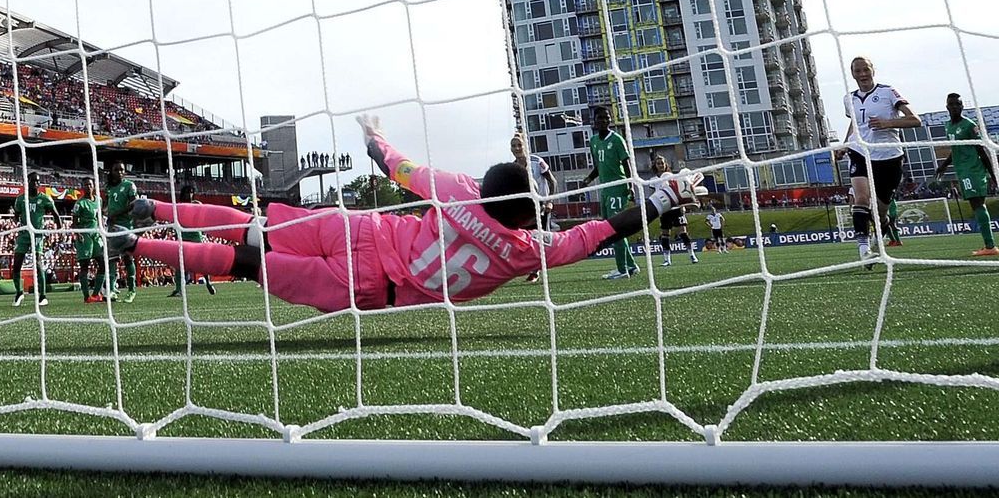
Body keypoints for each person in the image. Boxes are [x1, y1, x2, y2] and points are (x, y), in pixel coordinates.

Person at [105, 115, 705, 311]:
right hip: (371, 285)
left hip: (360, 228)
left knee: (252, 222)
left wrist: (375, 138)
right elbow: (596, 232)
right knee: (246, 261)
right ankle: (135, 243)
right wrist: (660, 198)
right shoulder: (530, 248)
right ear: (528, 216)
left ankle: (145, 206)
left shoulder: (458, 188)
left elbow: (399, 169)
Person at [837, 57, 920, 268]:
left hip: (888, 155)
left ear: (873, 71)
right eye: (858, 71)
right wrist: (845, 145)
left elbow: (915, 120)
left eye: (866, 69)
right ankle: (864, 250)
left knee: (881, 212)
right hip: (860, 151)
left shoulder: (888, 92)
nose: (863, 74)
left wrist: (888, 123)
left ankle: (880, 232)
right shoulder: (849, 99)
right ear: (853, 73)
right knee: (861, 198)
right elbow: (855, 125)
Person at [933, 92, 999, 257]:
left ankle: (990, 246)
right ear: (947, 107)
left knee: (978, 204)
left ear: (962, 106)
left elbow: (981, 151)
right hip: (962, 170)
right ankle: (988, 245)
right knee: (975, 204)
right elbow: (955, 149)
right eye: (952, 104)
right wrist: (944, 165)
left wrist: (994, 175)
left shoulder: (969, 125)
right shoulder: (948, 126)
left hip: (973, 170)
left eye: (958, 104)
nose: (955, 107)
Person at [581, 106, 640, 279]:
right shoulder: (593, 141)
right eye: (599, 118)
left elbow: (626, 164)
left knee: (615, 229)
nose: (603, 121)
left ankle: (622, 270)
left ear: (610, 120)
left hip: (617, 188)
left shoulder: (617, 140)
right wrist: (588, 180)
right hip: (605, 190)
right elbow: (599, 166)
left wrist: (630, 185)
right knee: (609, 229)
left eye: (606, 118)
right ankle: (631, 265)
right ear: (594, 120)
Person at [511, 133, 560, 283]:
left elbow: (553, 182)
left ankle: (537, 270)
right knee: (524, 239)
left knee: (541, 238)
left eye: (519, 145)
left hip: (542, 207)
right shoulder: (512, 167)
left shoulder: (537, 161)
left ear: (525, 146)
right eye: (514, 145)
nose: (517, 148)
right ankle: (533, 268)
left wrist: (549, 201)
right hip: (525, 210)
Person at [11, 172, 59, 307]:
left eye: (37, 181)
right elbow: (16, 214)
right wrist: (16, 222)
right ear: (28, 182)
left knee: (38, 264)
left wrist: (59, 228)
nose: (35, 183)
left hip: (37, 235)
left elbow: (55, 214)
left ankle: (43, 296)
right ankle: (19, 293)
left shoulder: (45, 199)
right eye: (33, 181)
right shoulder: (21, 199)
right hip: (23, 235)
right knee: (16, 265)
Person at [168, 185, 218, 298]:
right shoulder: (178, 206)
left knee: (201, 262)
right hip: (183, 236)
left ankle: (208, 283)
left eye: (191, 192)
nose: (189, 195)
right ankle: (179, 289)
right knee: (179, 264)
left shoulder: (197, 204)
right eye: (187, 192)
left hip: (195, 235)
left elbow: (204, 217)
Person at [103, 163, 141, 303]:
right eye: (116, 169)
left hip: (127, 227)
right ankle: (111, 290)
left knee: (127, 258)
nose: (119, 172)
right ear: (111, 171)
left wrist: (117, 214)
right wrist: (105, 214)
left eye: (122, 170)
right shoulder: (108, 188)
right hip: (113, 227)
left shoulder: (129, 186)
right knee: (112, 259)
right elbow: (106, 206)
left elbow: (134, 204)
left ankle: (131, 290)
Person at [651, 155, 698, 266]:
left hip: (676, 208)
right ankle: (667, 259)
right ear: (655, 166)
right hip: (664, 209)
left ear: (666, 164)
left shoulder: (672, 176)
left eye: (662, 163)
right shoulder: (653, 180)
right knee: (665, 234)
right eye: (658, 163)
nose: (661, 165)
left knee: (683, 232)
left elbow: (680, 191)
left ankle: (692, 255)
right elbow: (654, 194)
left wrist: (683, 205)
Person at [70, 184, 107, 303]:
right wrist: (78, 234)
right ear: (82, 188)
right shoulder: (80, 203)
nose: (88, 187)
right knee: (84, 266)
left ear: (93, 187)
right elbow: (74, 222)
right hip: (84, 236)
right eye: (85, 185)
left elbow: (99, 216)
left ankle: (95, 294)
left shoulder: (98, 200)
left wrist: (102, 229)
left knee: (102, 263)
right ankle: (86, 296)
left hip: (96, 235)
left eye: (90, 185)